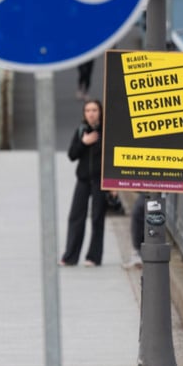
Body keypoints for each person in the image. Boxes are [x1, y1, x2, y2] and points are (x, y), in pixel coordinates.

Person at [60, 99, 107, 267]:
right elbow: (72, 155)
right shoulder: (81, 130)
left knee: (97, 218)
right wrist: (84, 142)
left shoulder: (106, 131)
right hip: (83, 179)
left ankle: (93, 257)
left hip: (100, 181)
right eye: (88, 110)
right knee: (75, 217)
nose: (91, 113)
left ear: (100, 112)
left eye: (94, 110)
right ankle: (70, 256)